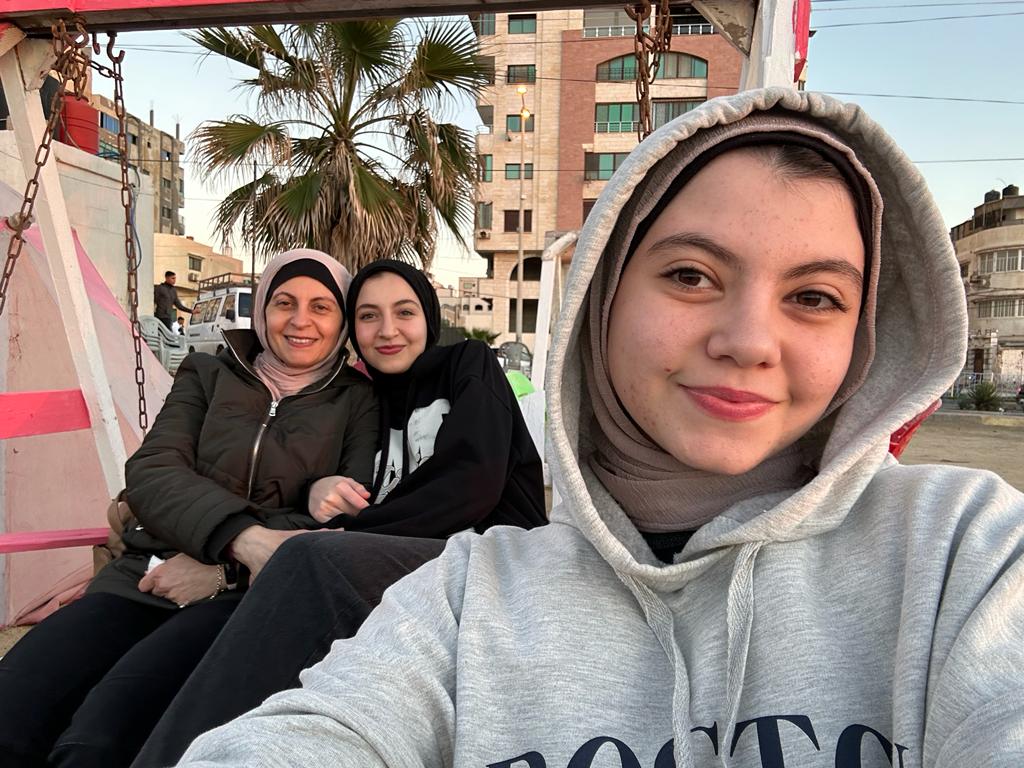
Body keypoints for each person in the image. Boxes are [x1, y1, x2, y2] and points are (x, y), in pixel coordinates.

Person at [178, 89, 1024, 767]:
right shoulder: (471, 599)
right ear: (602, 303)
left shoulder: (966, 554)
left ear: (864, 336)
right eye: (691, 276)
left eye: (814, 297)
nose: (748, 343)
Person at [133, 259, 547, 766]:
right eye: (369, 316)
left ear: (429, 318)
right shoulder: (367, 398)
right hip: (398, 580)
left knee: (311, 563)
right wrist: (315, 492)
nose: (388, 330)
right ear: (353, 329)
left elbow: (471, 485)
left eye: (405, 312)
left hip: (491, 563)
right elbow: (339, 493)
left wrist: (319, 541)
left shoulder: (468, 365)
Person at [0, 249, 379, 768]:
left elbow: (338, 519)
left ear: (341, 323)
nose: (300, 320)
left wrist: (222, 571)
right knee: (17, 704)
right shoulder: (207, 374)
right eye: (284, 302)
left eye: (321, 307)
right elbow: (154, 473)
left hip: (240, 600)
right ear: (262, 306)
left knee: (99, 737)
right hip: (143, 575)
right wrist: (240, 540)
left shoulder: (359, 401)